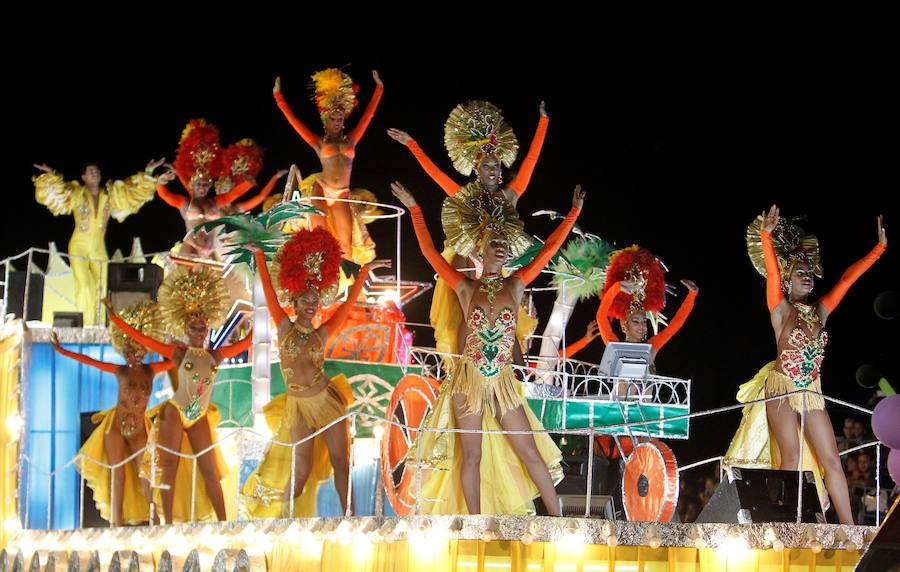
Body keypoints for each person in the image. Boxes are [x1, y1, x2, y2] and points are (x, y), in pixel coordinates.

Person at [391, 180, 583, 515]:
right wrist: (415, 210)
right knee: (473, 455)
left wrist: (574, 214)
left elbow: (550, 249)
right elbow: (430, 254)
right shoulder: (464, 287)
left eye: (504, 243)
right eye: (494, 242)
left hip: (504, 383)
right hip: (469, 381)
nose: (501, 247)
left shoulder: (517, 283)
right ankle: (477, 524)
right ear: (480, 251)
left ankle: (560, 520)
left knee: (530, 451)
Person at [725, 206, 886, 524]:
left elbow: (847, 279)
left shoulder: (821, 311)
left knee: (832, 460)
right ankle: (786, 523)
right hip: (781, 389)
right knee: (792, 456)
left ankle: (852, 531)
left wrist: (878, 249)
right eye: (800, 272)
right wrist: (766, 237)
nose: (807, 275)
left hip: (811, 392)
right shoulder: (781, 310)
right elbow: (771, 273)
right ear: (787, 281)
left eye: (809, 272)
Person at [242, 228, 389, 517]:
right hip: (298, 406)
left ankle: (351, 519)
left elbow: (346, 308)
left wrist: (362, 275)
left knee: (341, 462)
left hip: (327, 401)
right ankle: (281, 522)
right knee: (301, 471)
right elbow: (270, 294)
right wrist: (259, 256)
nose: (311, 306)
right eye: (305, 301)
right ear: (295, 303)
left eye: (315, 302)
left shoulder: (322, 335)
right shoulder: (284, 328)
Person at [387, 100, 548, 358]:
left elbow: (531, 160)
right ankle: (465, 364)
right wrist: (411, 144)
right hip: (469, 264)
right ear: (476, 168)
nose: (494, 171)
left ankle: (513, 370)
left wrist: (543, 122)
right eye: (487, 166)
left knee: (505, 319)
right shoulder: (466, 197)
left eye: (497, 166)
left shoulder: (510, 196)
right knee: (469, 318)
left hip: (498, 267)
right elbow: (437, 175)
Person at [105, 265, 251, 522]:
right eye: (195, 328)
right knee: (168, 468)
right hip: (175, 412)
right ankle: (168, 523)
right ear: (186, 328)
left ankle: (224, 523)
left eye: (203, 327)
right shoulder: (179, 353)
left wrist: (265, 317)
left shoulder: (215, 355)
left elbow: (246, 343)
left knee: (211, 471)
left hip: (198, 416)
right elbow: (145, 340)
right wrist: (114, 318)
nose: (200, 331)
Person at [50, 301, 172, 525]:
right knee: (118, 475)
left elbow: (176, 362)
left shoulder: (151, 370)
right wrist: (62, 350)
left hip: (139, 429)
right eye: (128, 349)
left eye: (137, 348)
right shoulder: (120, 371)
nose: (132, 354)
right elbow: (89, 361)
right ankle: (115, 526)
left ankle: (156, 521)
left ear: (143, 349)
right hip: (115, 427)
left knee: (145, 475)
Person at [33, 158, 163, 324]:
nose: (95, 173)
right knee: (84, 284)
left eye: (97, 171)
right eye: (90, 171)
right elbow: (59, 190)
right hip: (78, 244)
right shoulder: (76, 193)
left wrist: (149, 172)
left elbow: (131, 191)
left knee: (102, 286)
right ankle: (85, 323)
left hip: (98, 246)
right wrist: (51, 174)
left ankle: (99, 323)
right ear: (83, 177)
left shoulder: (108, 195)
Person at [273, 69, 383, 264]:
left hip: (342, 193)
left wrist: (379, 89)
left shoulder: (351, 140)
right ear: (326, 121)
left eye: (340, 119)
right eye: (333, 119)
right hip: (321, 189)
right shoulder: (319, 143)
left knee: (345, 248)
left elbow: (368, 116)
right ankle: (320, 285)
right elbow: (294, 121)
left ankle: (345, 289)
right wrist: (278, 96)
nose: (337, 122)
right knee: (321, 242)